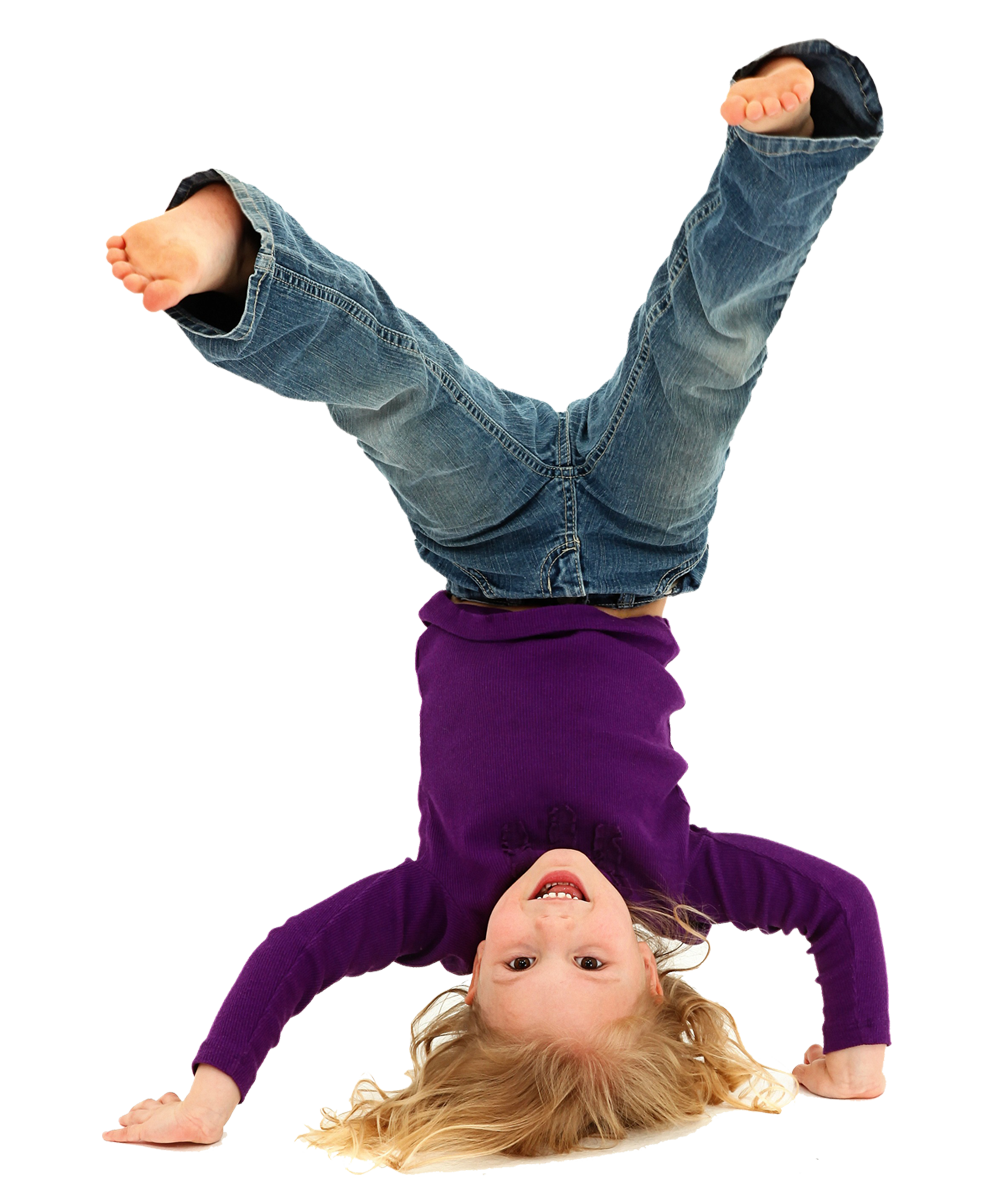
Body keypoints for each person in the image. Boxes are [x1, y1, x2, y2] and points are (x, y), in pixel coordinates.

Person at [103, 41, 890, 1169]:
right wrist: (861, 1041)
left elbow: (292, 954)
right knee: (707, 353)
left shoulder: (434, 903)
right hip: (636, 545)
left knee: (394, 386)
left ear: (468, 976)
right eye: (589, 962)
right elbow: (838, 905)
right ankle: (795, 140)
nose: (553, 923)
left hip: (489, 542)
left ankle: (235, 264)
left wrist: (215, 1092)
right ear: (653, 974)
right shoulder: (677, 882)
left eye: (520, 964)